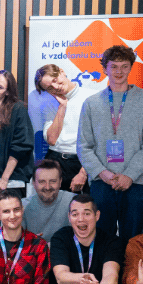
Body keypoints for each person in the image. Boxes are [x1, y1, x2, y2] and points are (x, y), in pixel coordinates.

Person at [78, 45, 143, 241]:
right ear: (104, 69)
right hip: (102, 181)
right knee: (102, 238)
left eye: (124, 66)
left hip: (137, 181)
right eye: (114, 66)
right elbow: (83, 146)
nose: (119, 71)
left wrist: (129, 175)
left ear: (131, 67)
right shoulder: (91, 103)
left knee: (134, 239)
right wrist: (104, 173)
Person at [34, 63, 91, 193]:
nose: (55, 87)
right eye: (49, 88)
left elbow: (99, 140)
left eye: (55, 80)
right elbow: (52, 140)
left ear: (62, 72)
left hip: (83, 161)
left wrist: (83, 173)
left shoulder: (90, 97)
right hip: (55, 161)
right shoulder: (48, 103)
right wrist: (62, 107)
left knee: (84, 203)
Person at [22, 159, 73, 237]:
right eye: (42, 182)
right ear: (34, 183)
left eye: (53, 181)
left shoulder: (73, 202)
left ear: (60, 182)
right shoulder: (23, 207)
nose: (47, 187)